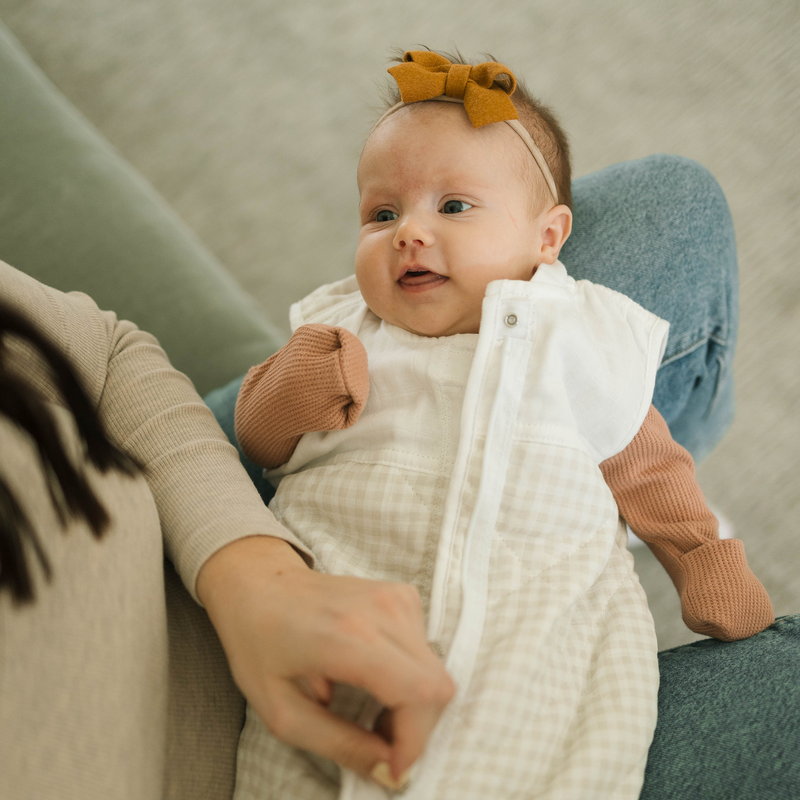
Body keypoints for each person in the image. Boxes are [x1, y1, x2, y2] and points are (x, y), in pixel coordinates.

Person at [232, 50, 774, 799]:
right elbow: (256, 441)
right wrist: (297, 385)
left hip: (529, 629)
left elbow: (646, 465)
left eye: (453, 206)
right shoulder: (340, 329)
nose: (408, 233)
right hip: (343, 622)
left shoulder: (578, 338)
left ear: (548, 239)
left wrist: (703, 559)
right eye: (381, 213)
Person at [0, 259, 454, 800]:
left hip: (223, 533)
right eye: (382, 215)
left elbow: (103, 353)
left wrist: (256, 578)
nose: (410, 233)